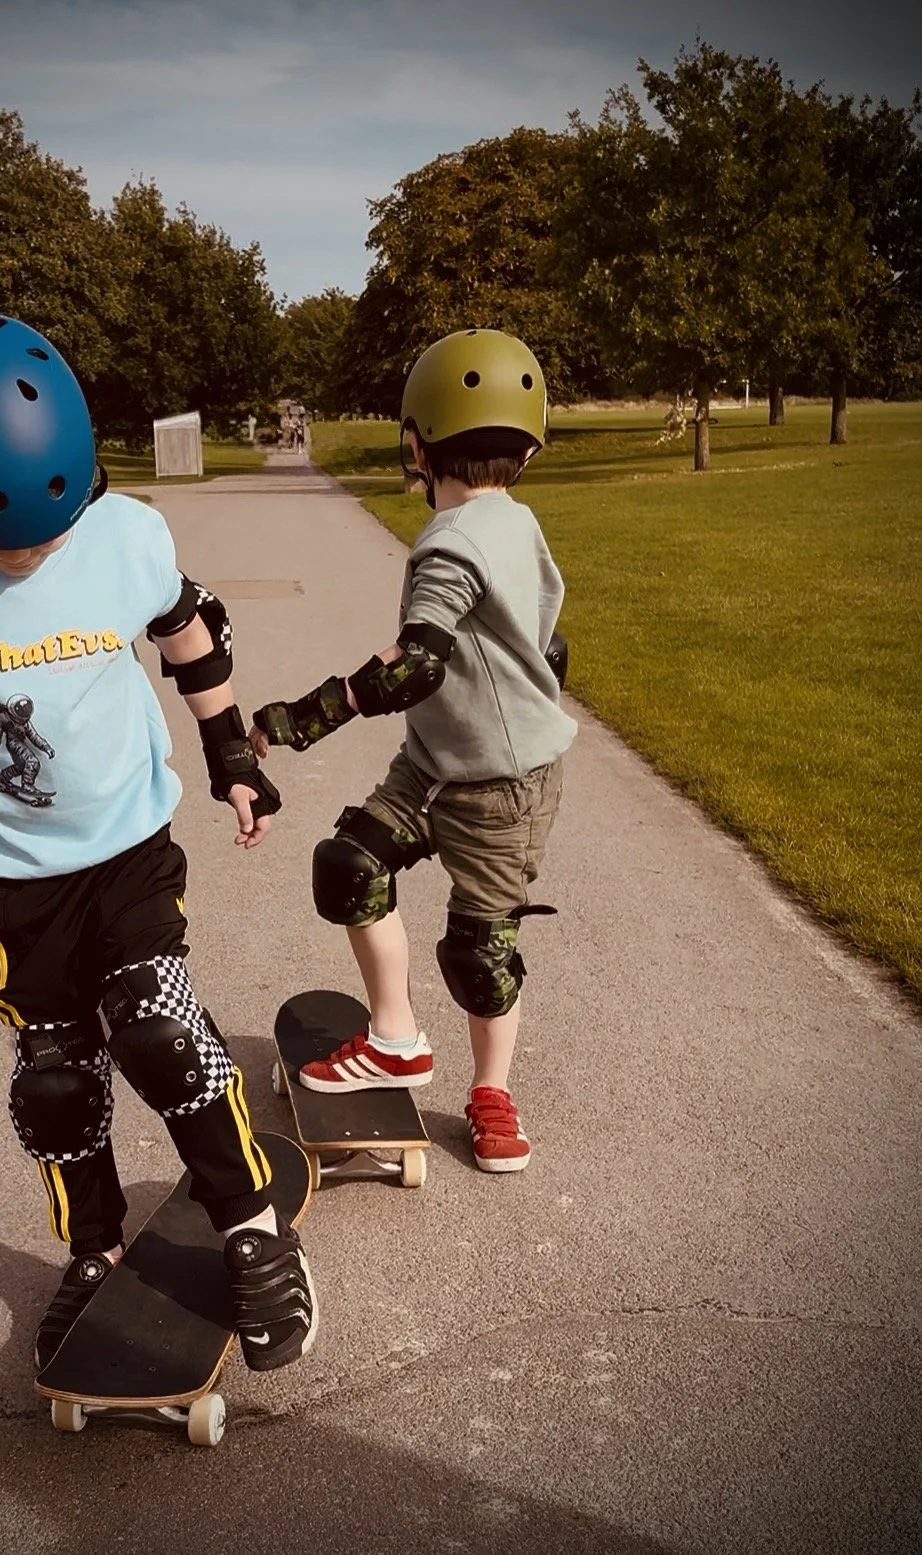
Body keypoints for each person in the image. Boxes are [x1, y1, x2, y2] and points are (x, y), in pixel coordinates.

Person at [0, 313, 317, 1373]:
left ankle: (256, 1223)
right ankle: (93, 1247)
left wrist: (232, 755)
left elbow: (189, 630)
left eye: (52, 527)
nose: (35, 555)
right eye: (3, 543)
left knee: (157, 1028)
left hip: (128, 842)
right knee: (53, 1076)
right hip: (9, 880)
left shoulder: (124, 534)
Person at [250, 329, 575, 1173]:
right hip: (432, 768)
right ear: (527, 444)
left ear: (418, 442)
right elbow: (542, 636)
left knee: (480, 949)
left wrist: (301, 718)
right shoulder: (518, 523)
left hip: (502, 790)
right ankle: (395, 1037)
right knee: (351, 864)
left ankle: (493, 1092)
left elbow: (417, 662)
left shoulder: (448, 541)